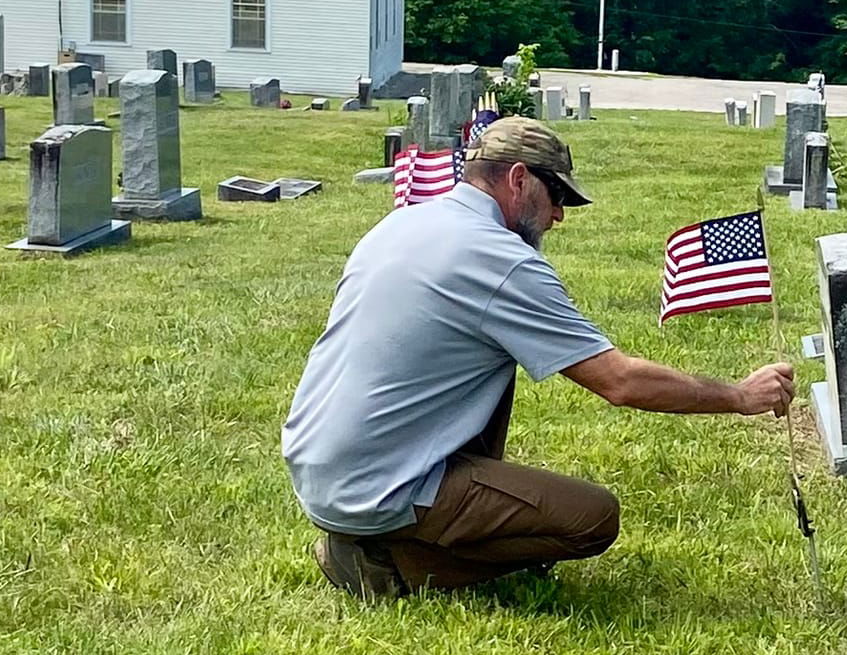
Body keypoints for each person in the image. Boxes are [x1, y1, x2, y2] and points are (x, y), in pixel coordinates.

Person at [283, 115, 795, 601]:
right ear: (519, 179)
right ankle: (388, 566)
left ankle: (377, 537)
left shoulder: (403, 223)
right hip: (372, 485)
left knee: (491, 371)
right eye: (556, 195)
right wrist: (741, 396)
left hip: (318, 465)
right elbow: (618, 381)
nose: (558, 215)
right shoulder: (500, 260)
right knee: (591, 518)